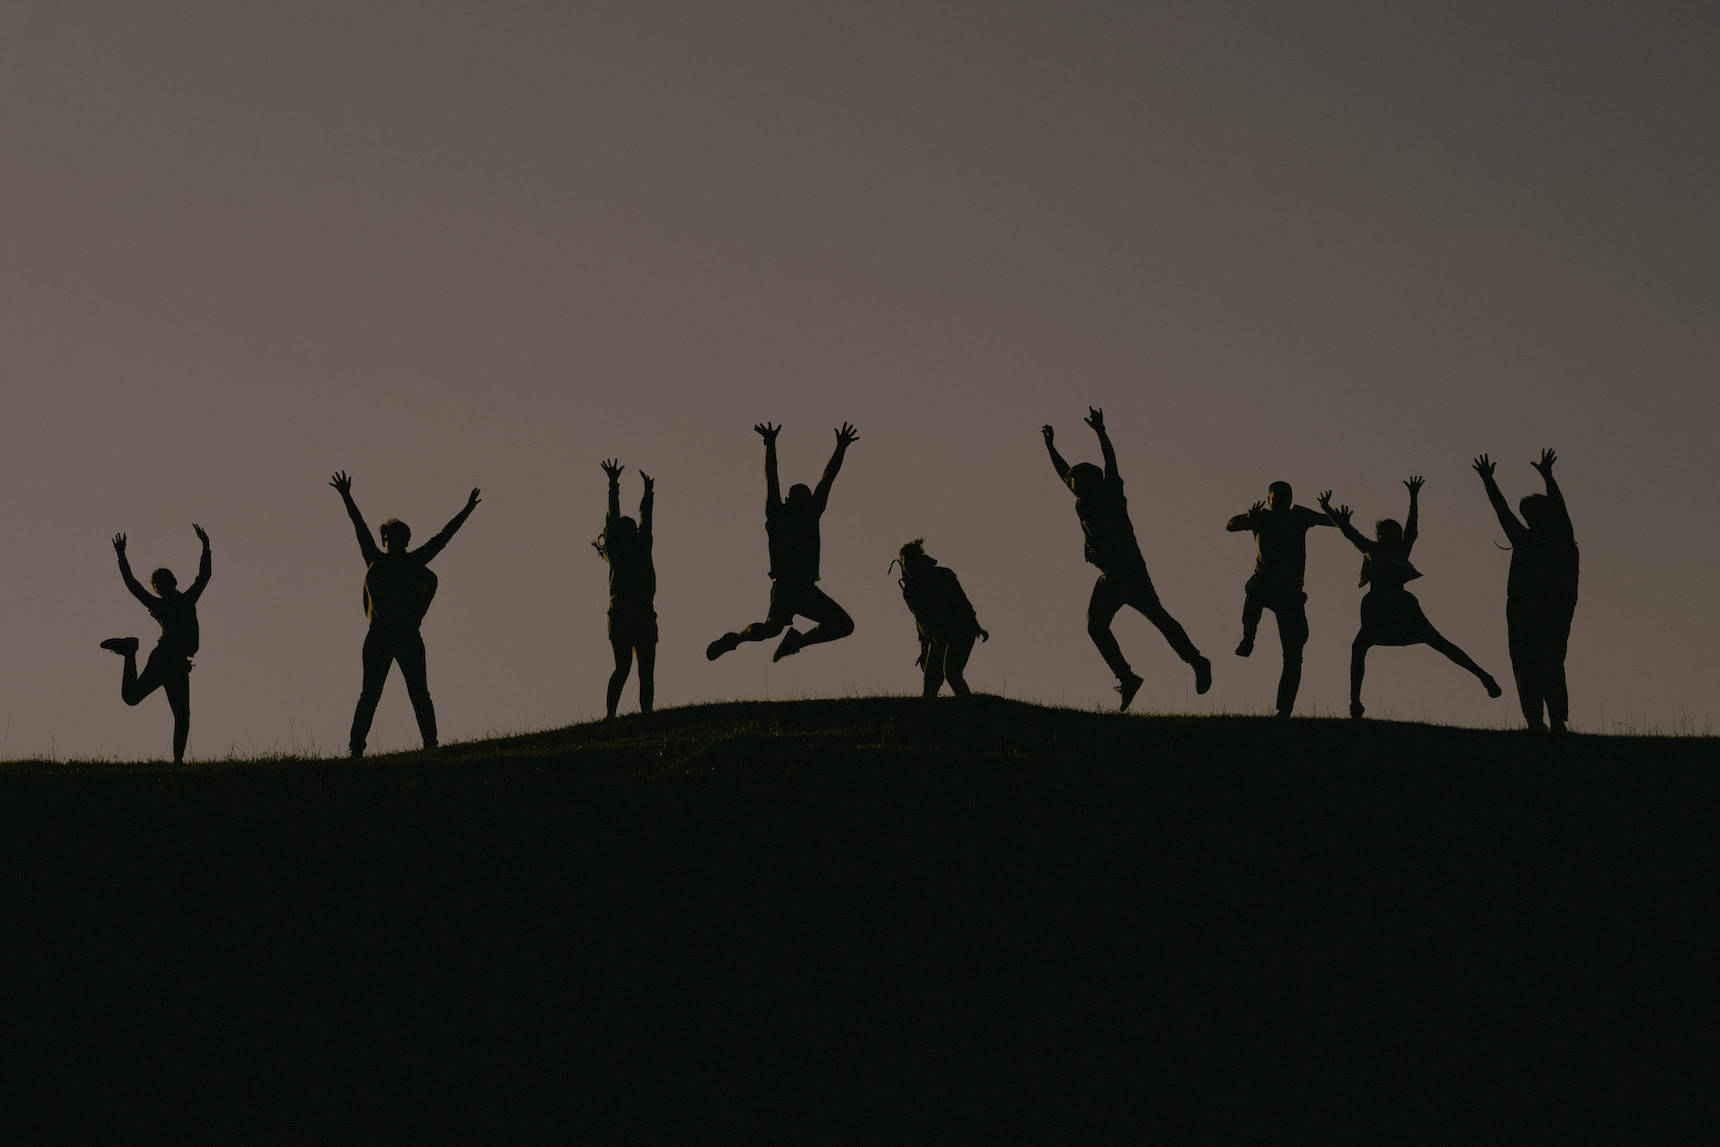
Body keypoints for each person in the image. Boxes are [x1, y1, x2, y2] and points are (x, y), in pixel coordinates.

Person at [1043, 408, 1210, 710]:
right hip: (1109, 575)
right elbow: (1063, 473)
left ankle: (1196, 661)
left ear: (1090, 482)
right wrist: (1051, 447)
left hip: (1129, 571)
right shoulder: (1082, 502)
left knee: (1158, 618)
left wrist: (1101, 431)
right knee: (1096, 626)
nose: (1072, 488)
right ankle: (1127, 677)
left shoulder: (1111, 494)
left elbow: (1110, 462)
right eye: (1072, 486)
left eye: (1076, 484)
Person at [1319, 478, 1501, 719]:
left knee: (1438, 642)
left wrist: (1414, 498)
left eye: (1392, 533)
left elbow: (1411, 528)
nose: (1389, 537)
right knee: (1360, 647)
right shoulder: (1374, 550)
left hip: (1399, 605)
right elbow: (1350, 533)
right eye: (1385, 533)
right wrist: (1329, 511)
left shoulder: (1398, 550)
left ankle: (1484, 677)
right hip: (1380, 606)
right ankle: (1355, 703)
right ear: (1381, 535)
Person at [330, 471, 480, 757]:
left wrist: (467, 510)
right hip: (379, 634)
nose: (394, 541)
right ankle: (356, 748)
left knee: (419, 693)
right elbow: (359, 527)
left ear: (406, 541)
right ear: (384, 539)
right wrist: (347, 497)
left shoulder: (414, 562)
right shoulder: (376, 561)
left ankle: (430, 743)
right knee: (370, 694)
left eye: (399, 537)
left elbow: (443, 537)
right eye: (389, 537)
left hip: (407, 635)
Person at [707, 422, 858, 664]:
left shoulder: (781, 513)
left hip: (797, 587)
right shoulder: (795, 514)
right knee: (836, 625)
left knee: (773, 628)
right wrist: (840, 448)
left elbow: (776, 477)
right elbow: (824, 480)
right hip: (793, 587)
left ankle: (750, 640)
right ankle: (780, 641)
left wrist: (770, 445)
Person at [1473, 449, 1579, 731]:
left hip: (1535, 614)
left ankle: (1544, 720)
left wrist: (1489, 481)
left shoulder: (1542, 541)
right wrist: (1547, 476)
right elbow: (1508, 512)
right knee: (1545, 665)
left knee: (1534, 665)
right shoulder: (1559, 541)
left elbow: (1504, 512)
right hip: (1540, 614)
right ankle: (1547, 720)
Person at [100, 524, 213, 764]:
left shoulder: (183, 600)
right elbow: (134, 587)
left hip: (174, 663)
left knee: (179, 714)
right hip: (166, 661)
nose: (161, 587)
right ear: (159, 588)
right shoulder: (170, 603)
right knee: (161, 708)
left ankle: (178, 761)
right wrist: (122, 558)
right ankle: (129, 652)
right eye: (158, 585)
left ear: (172, 582)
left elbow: (203, 577)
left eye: (163, 583)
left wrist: (205, 548)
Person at [1225, 482, 1335, 716]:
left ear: (1291, 499)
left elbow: (1333, 523)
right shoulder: (1261, 518)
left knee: (1294, 654)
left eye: (1286, 498)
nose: (1282, 503)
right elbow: (1231, 525)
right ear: (1269, 499)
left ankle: (1284, 709)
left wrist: (1332, 512)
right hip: (1265, 582)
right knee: (1254, 589)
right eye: (1277, 499)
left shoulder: (1299, 515)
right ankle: (1248, 638)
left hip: (1291, 593)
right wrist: (1247, 517)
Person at [593, 459, 656, 719]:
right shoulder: (625, 549)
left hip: (632, 609)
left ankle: (629, 715)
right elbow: (634, 518)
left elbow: (643, 520)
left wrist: (645, 494)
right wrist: (615, 486)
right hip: (629, 609)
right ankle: (617, 715)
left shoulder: (635, 547)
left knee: (634, 669)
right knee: (633, 669)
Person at [893, 539, 988, 698]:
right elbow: (921, 622)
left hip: (961, 630)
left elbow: (962, 603)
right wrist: (924, 652)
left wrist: (976, 627)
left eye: (911, 562)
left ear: (920, 561)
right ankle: (929, 718)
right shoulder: (910, 591)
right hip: (939, 638)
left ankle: (972, 711)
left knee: (952, 672)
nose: (908, 567)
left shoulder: (943, 575)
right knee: (931, 680)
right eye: (905, 563)